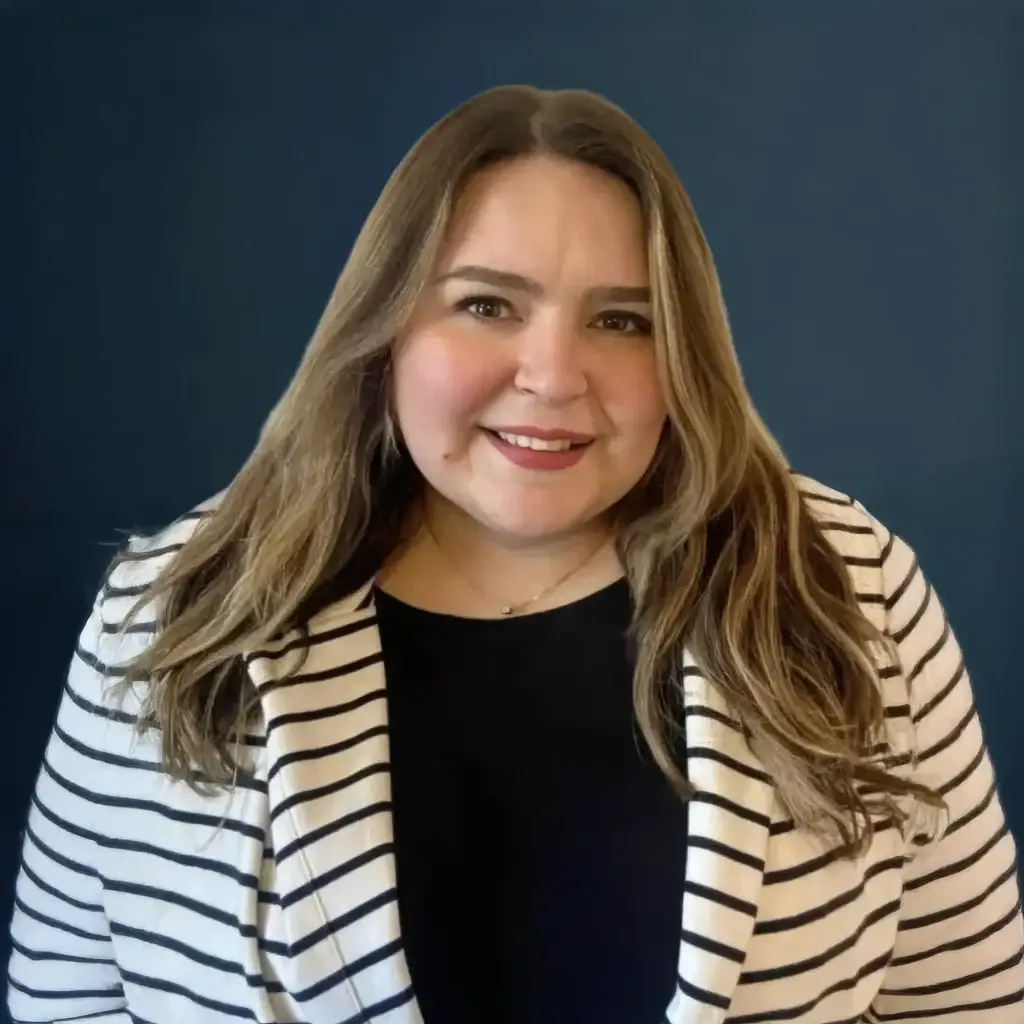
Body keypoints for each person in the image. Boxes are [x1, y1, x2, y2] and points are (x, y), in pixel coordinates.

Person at [8, 84, 1022, 1024]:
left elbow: (964, 997)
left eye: (622, 320)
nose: (552, 375)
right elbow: (66, 998)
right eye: (486, 304)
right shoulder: (171, 607)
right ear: (386, 323)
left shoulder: (844, 583)